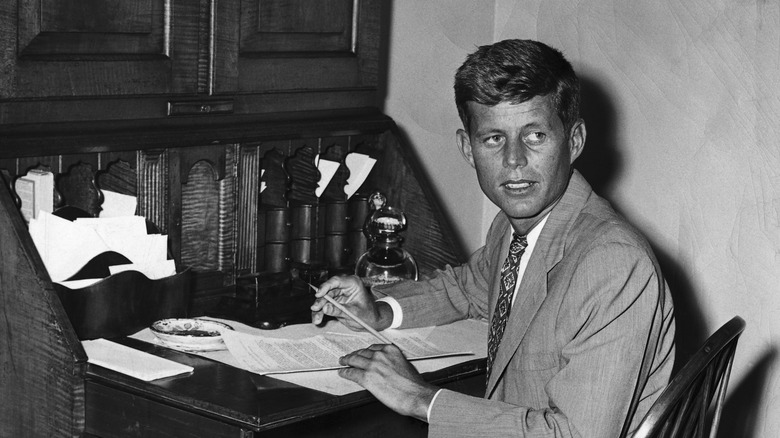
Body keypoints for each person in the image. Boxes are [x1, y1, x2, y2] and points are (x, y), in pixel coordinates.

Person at [311, 39, 675, 437]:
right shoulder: (517, 226)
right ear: (468, 148)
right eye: (493, 139)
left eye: (535, 135)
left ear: (573, 142)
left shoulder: (612, 264)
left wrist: (420, 398)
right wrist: (379, 311)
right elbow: (466, 287)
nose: (514, 160)